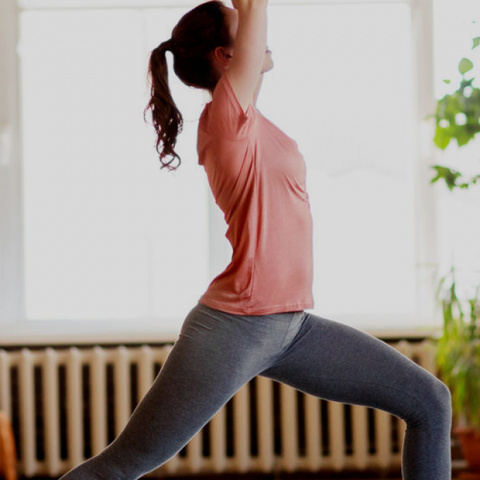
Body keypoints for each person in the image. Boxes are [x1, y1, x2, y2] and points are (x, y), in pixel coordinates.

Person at [59, 1, 452, 479]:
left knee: (429, 401)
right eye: (243, 27)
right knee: (118, 467)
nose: (258, 32)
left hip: (292, 328)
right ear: (226, 56)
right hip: (235, 328)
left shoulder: (243, 117)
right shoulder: (228, 116)